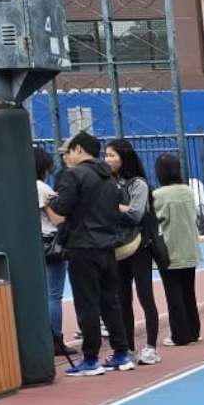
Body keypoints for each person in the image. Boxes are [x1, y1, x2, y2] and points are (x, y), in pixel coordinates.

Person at [45, 130, 134, 377]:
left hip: (83, 246)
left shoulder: (74, 176)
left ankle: (91, 358)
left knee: (87, 304)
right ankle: (121, 353)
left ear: (78, 149)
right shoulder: (109, 178)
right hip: (107, 246)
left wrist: (48, 203)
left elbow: (61, 211)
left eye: (68, 152)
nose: (66, 157)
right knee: (111, 302)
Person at [106, 138, 163, 364]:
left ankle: (150, 347)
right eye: (106, 155)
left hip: (139, 246)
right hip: (118, 246)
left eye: (111, 155)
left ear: (124, 157)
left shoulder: (138, 184)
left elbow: (136, 214)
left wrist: (114, 207)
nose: (107, 159)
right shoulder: (108, 182)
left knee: (145, 295)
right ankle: (127, 348)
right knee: (122, 299)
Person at [152, 152, 203, 346]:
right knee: (189, 292)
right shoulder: (187, 191)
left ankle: (180, 335)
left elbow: (156, 218)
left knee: (173, 294)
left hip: (170, 249)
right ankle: (193, 331)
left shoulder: (158, 195)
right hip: (189, 247)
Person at [35, 146, 71, 359]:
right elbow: (58, 219)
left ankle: (42, 337)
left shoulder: (21, 185)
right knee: (54, 293)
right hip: (50, 241)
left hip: (35, 242)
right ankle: (55, 338)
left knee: (42, 292)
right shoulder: (42, 188)